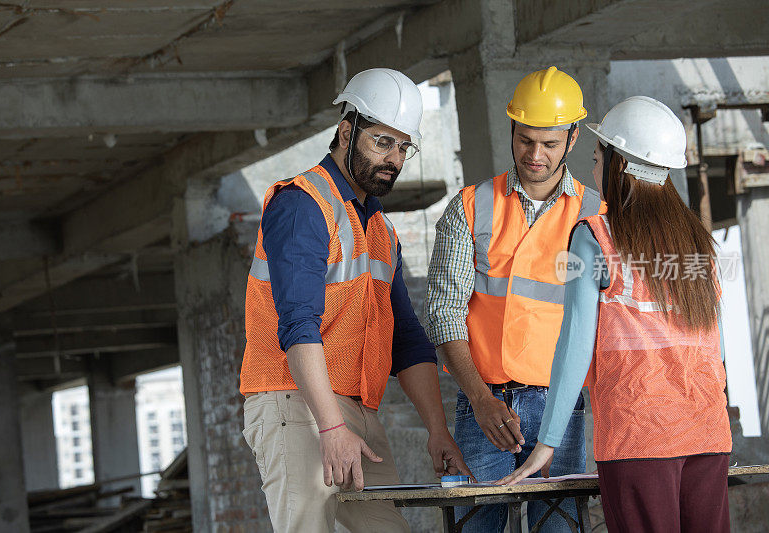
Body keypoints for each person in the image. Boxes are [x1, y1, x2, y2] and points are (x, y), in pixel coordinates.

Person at [239, 68, 471, 533]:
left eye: (404, 147)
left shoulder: (380, 229)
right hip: (296, 405)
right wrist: (329, 427)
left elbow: (407, 338)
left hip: (357, 413)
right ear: (347, 131)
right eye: (382, 142)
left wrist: (437, 430)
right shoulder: (302, 204)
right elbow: (298, 324)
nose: (394, 158)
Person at [498, 96, 732, 533]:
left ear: (618, 164)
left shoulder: (595, 238)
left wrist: (546, 443)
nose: (592, 170)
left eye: (597, 157)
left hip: (639, 438)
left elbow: (573, 347)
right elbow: (715, 347)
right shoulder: (699, 243)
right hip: (708, 435)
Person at [425, 66, 603, 532]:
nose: (535, 155)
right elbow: (444, 315)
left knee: (559, 527)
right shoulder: (470, 206)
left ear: (572, 137)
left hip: (561, 406)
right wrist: (480, 400)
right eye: (525, 140)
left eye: (548, 143)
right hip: (482, 402)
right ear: (511, 130)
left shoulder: (596, 214)